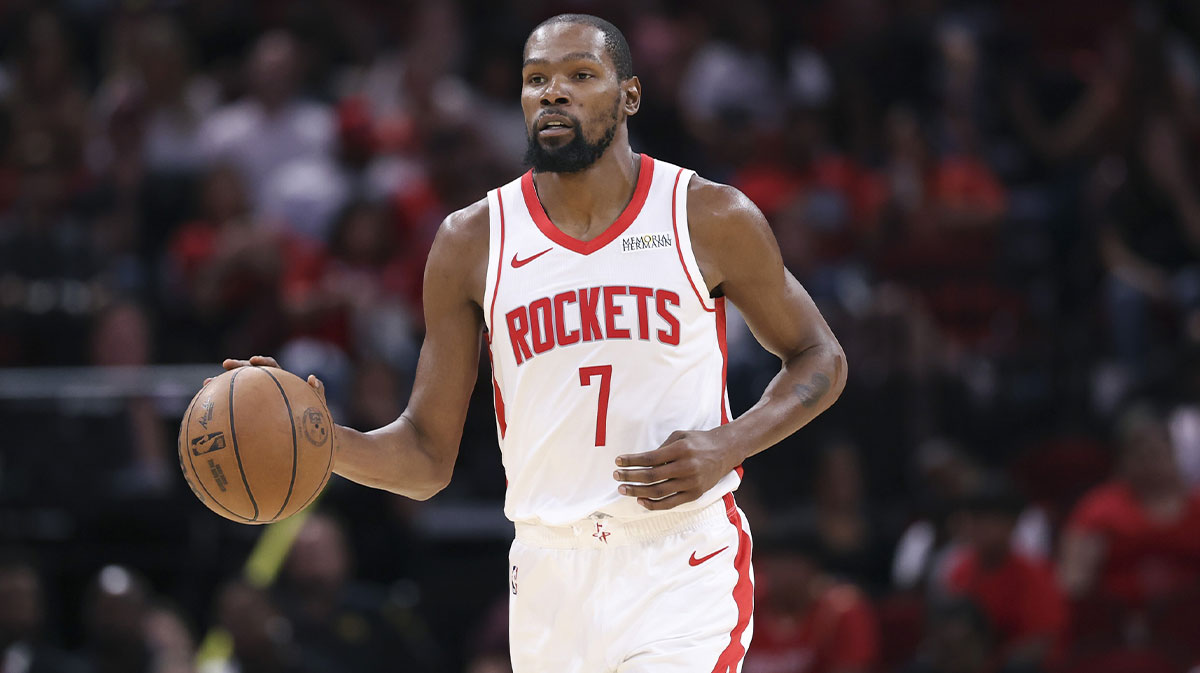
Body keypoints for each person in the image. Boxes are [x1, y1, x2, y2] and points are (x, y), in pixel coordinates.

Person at [220, 14, 846, 672]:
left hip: (677, 562)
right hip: (547, 575)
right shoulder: (471, 241)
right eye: (536, 79)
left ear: (629, 95)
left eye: (580, 75)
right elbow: (427, 457)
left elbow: (820, 357)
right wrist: (320, 439)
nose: (553, 93)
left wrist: (730, 442)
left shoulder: (707, 215)